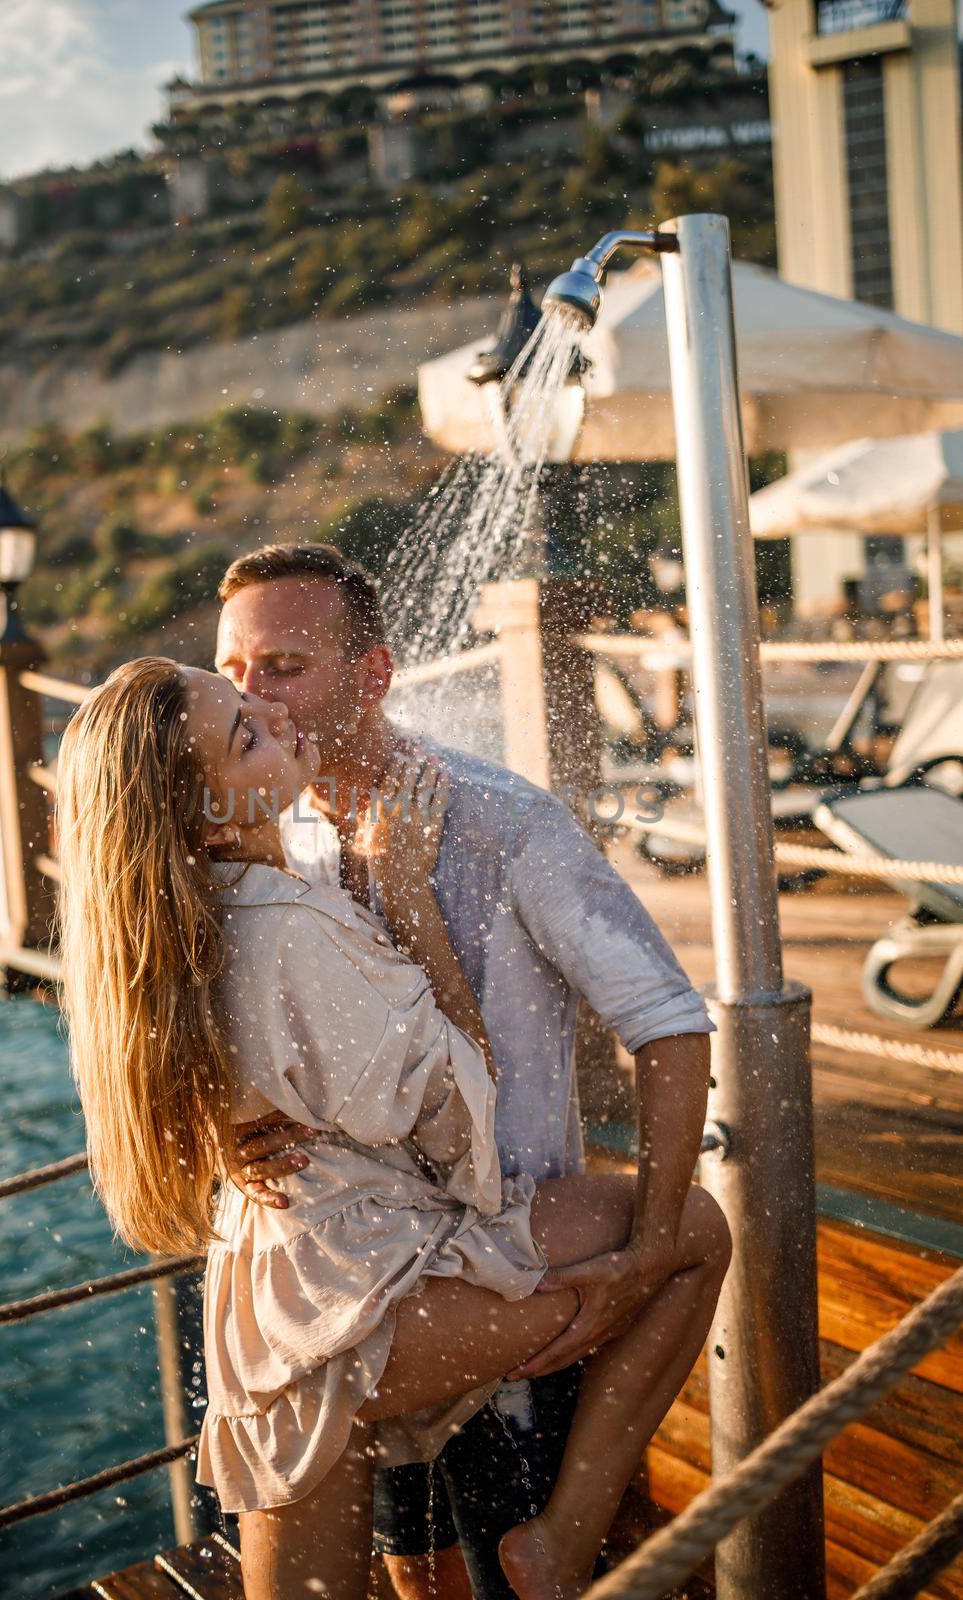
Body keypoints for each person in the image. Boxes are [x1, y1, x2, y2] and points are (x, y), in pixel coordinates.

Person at [56, 659, 731, 1600]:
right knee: (694, 1232)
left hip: (274, 1300)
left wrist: (224, 1133)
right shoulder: (290, 924)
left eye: (256, 694)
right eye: (245, 730)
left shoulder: (175, 925)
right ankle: (563, 1539)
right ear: (210, 817)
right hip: (366, 1297)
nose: (276, 714)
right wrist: (407, 893)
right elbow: (462, 1132)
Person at [213, 545, 719, 1600]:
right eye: (235, 667)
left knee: (521, 1570)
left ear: (373, 674)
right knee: (417, 1574)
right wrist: (223, 1127)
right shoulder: (270, 834)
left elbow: (668, 1023)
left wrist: (651, 1244)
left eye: (286, 663)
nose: (252, 692)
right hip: (359, 1279)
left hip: (515, 1260)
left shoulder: (502, 822)